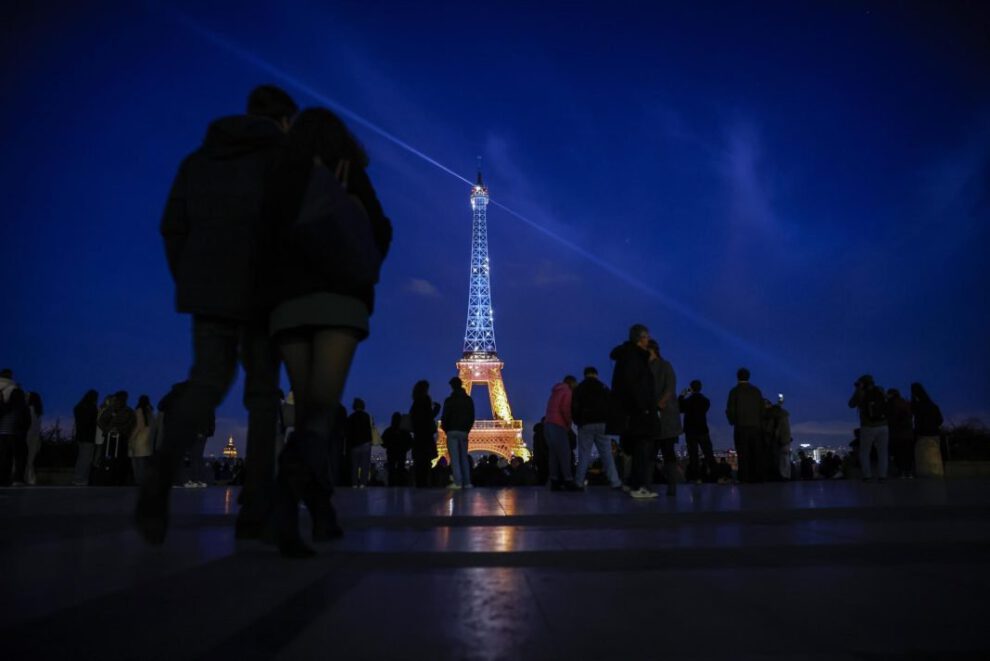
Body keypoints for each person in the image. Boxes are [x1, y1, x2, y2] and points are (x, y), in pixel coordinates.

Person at [138, 85, 299, 545]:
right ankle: (256, 504)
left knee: (206, 382)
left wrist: (191, 279)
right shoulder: (285, 162)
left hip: (209, 290)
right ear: (285, 121)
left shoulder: (198, 161)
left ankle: (157, 477)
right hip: (266, 291)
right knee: (264, 396)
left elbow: (172, 227)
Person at [610, 324, 660, 499]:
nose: (648, 340)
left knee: (636, 447)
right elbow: (635, 386)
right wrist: (644, 407)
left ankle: (632, 483)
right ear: (641, 338)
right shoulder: (635, 358)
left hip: (630, 412)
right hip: (638, 411)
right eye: (646, 337)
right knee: (642, 448)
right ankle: (638, 486)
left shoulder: (626, 356)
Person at [572, 366, 621, 489]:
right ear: (596, 374)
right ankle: (615, 482)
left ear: (585, 375)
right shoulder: (603, 387)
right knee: (607, 454)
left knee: (584, 455)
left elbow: (574, 407)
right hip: (602, 424)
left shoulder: (579, 388)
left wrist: (578, 422)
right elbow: (612, 405)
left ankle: (578, 482)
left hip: (585, 424)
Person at [648, 339, 681, 497]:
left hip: (663, 416)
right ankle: (666, 486)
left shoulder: (663, 366)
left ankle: (667, 486)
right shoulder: (660, 366)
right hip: (660, 416)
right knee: (660, 453)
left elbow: (669, 388)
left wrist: (660, 404)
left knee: (663, 452)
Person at [726, 368, 765, 483]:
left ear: (737, 377)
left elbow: (730, 410)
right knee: (756, 453)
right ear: (749, 376)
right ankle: (757, 477)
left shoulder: (734, 391)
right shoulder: (756, 391)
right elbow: (762, 409)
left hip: (741, 426)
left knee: (743, 453)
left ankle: (744, 477)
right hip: (756, 426)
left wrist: (733, 421)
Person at [849, 375, 888, 481]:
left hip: (868, 426)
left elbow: (851, 404)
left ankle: (867, 476)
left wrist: (857, 389)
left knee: (865, 452)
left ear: (862, 383)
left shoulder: (861, 393)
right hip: (883, 425)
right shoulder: (880, 390)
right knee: (883, 452)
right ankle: (882, 476)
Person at [544, 375, 580, 491]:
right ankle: (568, 480)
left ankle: (554, 481)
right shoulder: (567, 392)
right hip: (558, 425)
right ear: (572, 383)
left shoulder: (555, 392)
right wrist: (569, 424)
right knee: (565, 454)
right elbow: (565, 409)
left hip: (548, 424)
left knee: (553, 455)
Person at [441, 377, 475, 490]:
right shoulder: (468, 400)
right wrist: (467, 429)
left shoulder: (449, 400)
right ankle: (467, 482)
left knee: (454, 458)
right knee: (464, 457)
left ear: (452, 386)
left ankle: (457, 483)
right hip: (464, 431)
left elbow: (445, 417)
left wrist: (446, 429)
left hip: (452, 431)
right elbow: (471, 416)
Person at [679, 380, 715, 483]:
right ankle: (715, 475)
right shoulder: (705, 401)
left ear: (691, 388)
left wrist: (682, 396)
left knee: (693, 455)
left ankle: (696, 477)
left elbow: (680, 408)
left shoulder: (688, 401)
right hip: (702, 429)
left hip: (690, 431)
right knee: (708, 453)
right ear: (700, 387)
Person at [410, 380, 441, 488]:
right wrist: (437, 409)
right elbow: (429, 416)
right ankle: (424, 483)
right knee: (426, 459)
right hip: (426, 434)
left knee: (419, 460)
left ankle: (419, 482)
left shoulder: (415, 402)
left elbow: (414, 417)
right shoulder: (426, 399)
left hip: (418, 434)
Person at [910, 382, 944, 478]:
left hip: (922, 434)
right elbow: (940, 420)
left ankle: (924, 473)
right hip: (934, 433)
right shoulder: (933, 406)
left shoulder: (917, 407)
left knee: (922, 457)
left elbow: (916, 420)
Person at [0, 386, 30, 486]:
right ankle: (18, 479)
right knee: (20, 458)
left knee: (5, 459)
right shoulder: (23, 408)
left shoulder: (4, 406)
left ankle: (4, 479)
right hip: (17, 436)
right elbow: (26, 422)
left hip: (3, 436)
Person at [72, 390, 100, 486]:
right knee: (86, 459)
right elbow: (93, 423)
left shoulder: (78, 407)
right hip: (89, 437)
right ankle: (81, 479)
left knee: (81, 458)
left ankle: (78, 478)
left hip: (80, 436)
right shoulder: (92, 408)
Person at [886, 388, 914, 478]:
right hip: (908, 433)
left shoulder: (890, 404)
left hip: (896, 433)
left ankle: (901, 471)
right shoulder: (906, 403)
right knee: (907, 454)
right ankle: (909, 472)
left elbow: (890, 418)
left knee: (898, 453)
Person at [345, 398, 373, 488]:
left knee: (355, 466)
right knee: (365, 466)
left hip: (354, 444)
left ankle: (354, 483)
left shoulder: (351, 417)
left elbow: (348, 433)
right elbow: (369, 429)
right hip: (365, 443)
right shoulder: (366, 416)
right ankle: (363, 483)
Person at [129, 395, 155, 486]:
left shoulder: (139, 410)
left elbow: (139, 425)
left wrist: (131, 437)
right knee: (144, 461)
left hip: (139, 438)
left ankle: (139, 480)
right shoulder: (150, 411)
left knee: (137, 461)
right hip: (148, 438)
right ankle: (144, 480)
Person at [381, 412, 411, 486]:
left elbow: (382, 442)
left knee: (391, 471)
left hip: (391, 452)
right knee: (401, 470)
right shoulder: (405, 431)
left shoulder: (388, 431)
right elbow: (410, 442)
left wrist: (388, 446)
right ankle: (401, 485)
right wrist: (405, 449)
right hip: (401, 453)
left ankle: (391, 485)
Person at [25, 392, 43, 485]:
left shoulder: (28, 410)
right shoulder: (38, 412)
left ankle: (28, 478)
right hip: (35, 438)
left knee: (25, 459)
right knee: (30, 460)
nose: (25, 398)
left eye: (27, 396)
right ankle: (31, 479)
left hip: (27, 437)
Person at [532, 418, 549, 486]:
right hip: (545, 456)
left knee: (541, 473)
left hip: (539, 457)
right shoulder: (546, 431)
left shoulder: (537, 433)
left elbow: (536, 446)